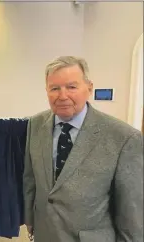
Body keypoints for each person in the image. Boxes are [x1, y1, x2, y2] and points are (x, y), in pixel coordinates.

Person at [23, 56, 143, 242]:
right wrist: (30, 222)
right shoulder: (35, 124)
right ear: (46, 90)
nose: (62, 96)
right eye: (55, 88)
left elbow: (132, 212)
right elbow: (30, 180)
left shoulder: (123, 137)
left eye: (71, 87)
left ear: (89, 88)